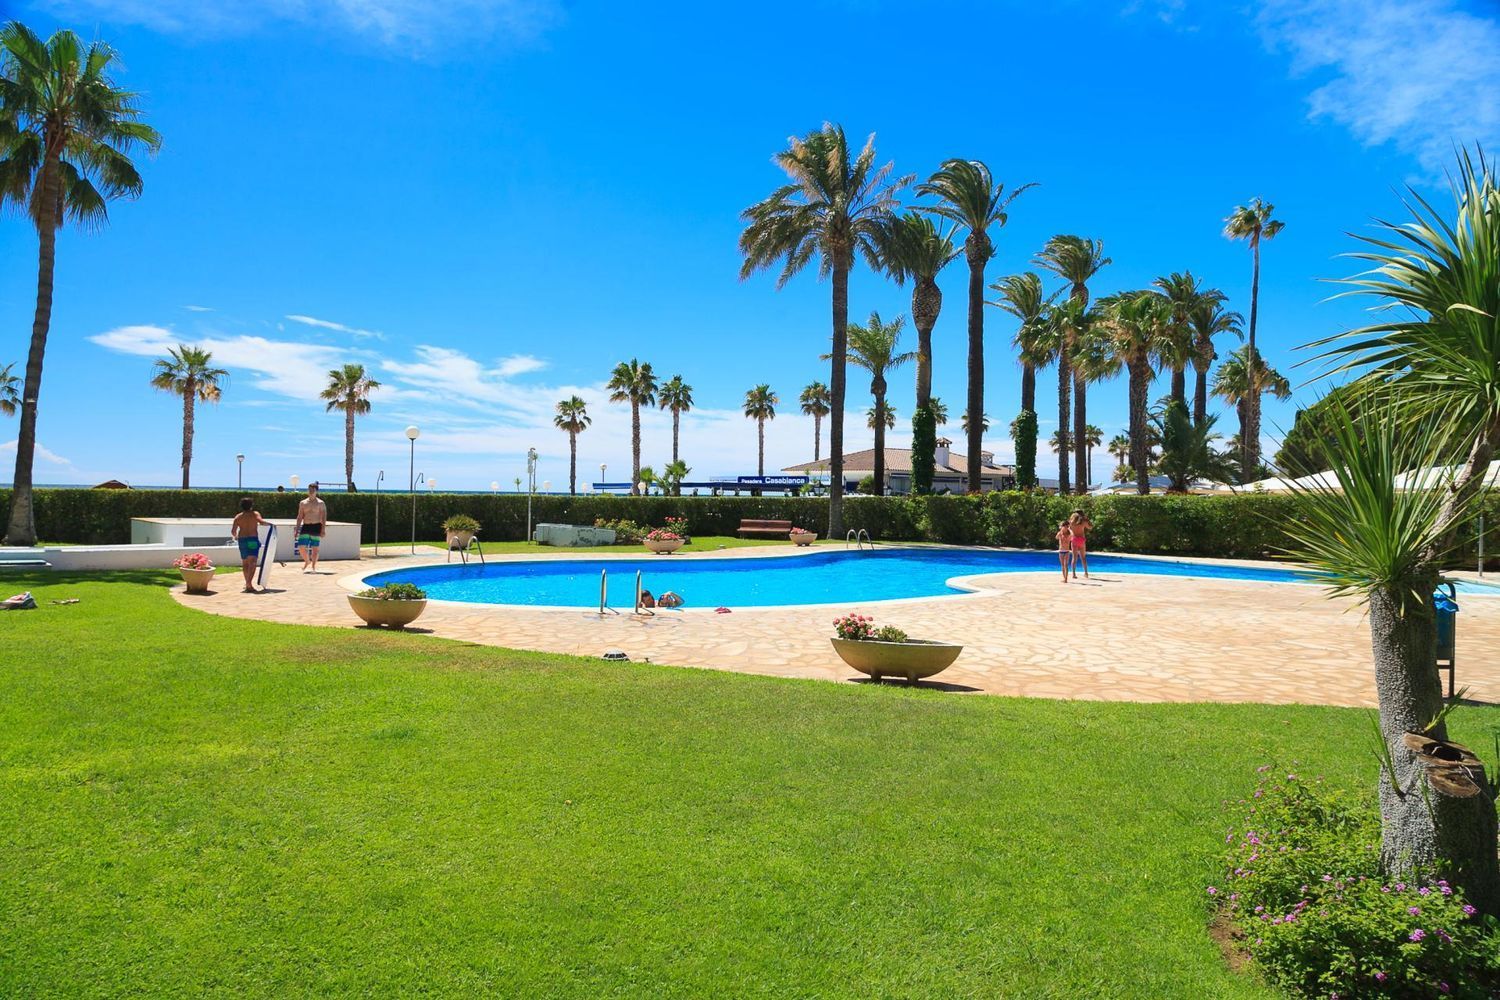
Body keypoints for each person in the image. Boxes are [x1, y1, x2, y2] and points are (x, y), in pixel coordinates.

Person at [231, 497, 270, 593]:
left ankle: (247, 583)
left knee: (245, 562)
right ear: (251, 506)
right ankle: (248, 584)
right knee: (252, 562)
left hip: (242, 540)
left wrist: (236, 536)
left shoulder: (238, 517)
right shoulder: (255, 514)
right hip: (252, 539)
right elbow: (261, 522)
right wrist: (271, 525)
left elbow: (233, 531)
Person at [295, 482, 328, 573]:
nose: (310, 491)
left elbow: (324, 517)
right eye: (309, 490)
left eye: (313, 490)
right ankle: (307, 561)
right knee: (301, 547)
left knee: (315, 549)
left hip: (316, 526)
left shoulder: (321, 503)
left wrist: (323, 529)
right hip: (306, 526)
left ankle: (313, 566)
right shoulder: (303, 503)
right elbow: (299, 516)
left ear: (316, 491)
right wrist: (297, 529)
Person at [1068, 509, 1093, 579]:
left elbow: (1068, 529)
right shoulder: (1084, 522)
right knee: (1083, 557)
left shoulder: (1071, 522)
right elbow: (1090, 527)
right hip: (1081, 540)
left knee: (1074, 557)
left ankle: (1073, 574)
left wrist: (1071, 530)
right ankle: (1086, 573)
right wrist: (1087, 520)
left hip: (1074, 539)